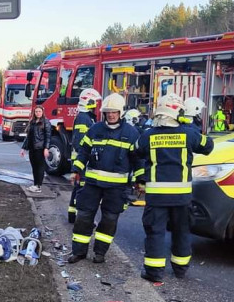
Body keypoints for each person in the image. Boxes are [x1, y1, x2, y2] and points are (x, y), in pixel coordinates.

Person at [134, 93, 214, 281]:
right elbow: (208, 146)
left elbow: (135, 151)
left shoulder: (148, 136)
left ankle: (154, 273)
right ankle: (180, 269)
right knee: (182, 232)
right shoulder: (188, 133)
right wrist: (188, 124)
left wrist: (140, 179)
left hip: (156, 196)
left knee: (155, 233)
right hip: (181, 197)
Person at [67, 93, 141, 264]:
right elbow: (83, 151)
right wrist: (76, 170)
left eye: (114, 112)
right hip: (92, 183)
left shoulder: (131, 133)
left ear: (120, 112)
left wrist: (140, 181)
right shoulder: (95, 129)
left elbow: (139, 160)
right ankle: (79, 252)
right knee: (83, 216)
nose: (111, 115)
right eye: (108, 112)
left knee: (109, 219)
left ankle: (100, 252)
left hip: (116, 187)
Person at [67, 87, 101, 223]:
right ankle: (80, 218)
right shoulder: (83, 118)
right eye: (95, 102)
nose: (97, 105)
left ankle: (73, 215)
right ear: (89, 101)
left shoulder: (86, 117)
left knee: (79, 189)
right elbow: (80, 141)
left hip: (81, 161)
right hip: (82, 162)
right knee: (82, 190)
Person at [20, 105, 51, 192]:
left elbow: (48, 136)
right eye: (36, 111)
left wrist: (46, 148)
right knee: (34, 167)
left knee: (40, 167)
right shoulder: (32, 122)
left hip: (40, 148)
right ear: (34, 112)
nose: (38, 113)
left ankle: (38, 186)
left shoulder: (46, 122)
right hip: (32, 148)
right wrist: (23, 148)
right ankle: (35, 184)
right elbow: (28, 137)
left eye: (39, 111)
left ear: (42, 112)